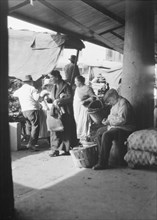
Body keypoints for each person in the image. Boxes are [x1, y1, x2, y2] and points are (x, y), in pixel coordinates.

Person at [93, 89, 136, 170]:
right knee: (99, 132)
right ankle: (102, 158)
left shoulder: (123, 103)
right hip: (116, 127)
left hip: (125, 129)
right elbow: (111, 116)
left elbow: (122, 120)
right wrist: (106, 120)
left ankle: (103, 163)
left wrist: (109, 122)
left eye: (109, 101)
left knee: (106, 135)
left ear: (114, 97)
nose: (109, 103)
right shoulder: (115, 104)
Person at [48, 70, 78, 157]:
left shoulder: (66, 86)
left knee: (66, 131)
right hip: (56, 112)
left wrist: (60, 101)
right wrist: (48, 99)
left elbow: (70, 98)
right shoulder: (54, 87)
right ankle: (55, 150)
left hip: (65, 112)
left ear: (57, 77)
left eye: (51, 77)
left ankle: (67, 149)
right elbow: (53, 98)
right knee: (55, 131)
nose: (50, 79)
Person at [13, 75, 41, 151]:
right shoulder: (32, 88)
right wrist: (40, 95)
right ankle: (32, 144)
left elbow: (14, 94)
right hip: (32, 108)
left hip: (24, 110)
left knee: (28, 126)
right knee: (35, 126)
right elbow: (37, 98)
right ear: (30, 81)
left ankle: (28, 142)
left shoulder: (20, 90)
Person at [73, 75, 96, 142]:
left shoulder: (87, 88)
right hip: (77, 109)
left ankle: (85, 138)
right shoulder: (77, 89)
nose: (75, 83)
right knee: (78, 123)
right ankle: (80, 138)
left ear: (80, 82)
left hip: (84, 108)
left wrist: (86, 100)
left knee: (83, 123)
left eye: (76, 81)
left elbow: (93, 97)